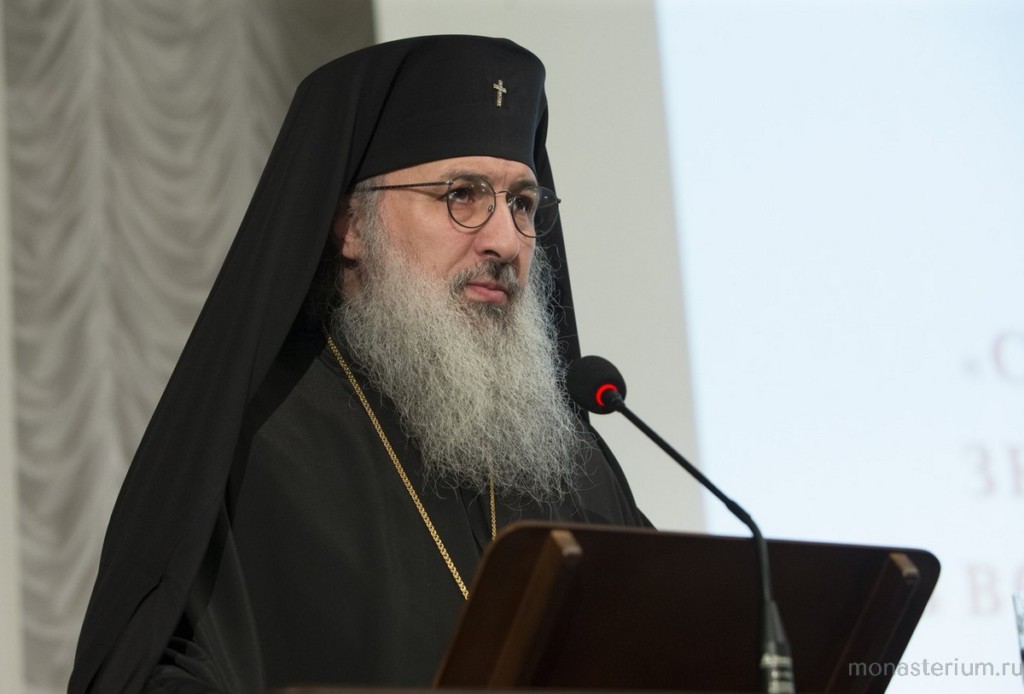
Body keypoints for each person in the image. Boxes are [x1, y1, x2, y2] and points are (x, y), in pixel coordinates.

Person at [69, 35, 648, 693]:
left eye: (522, 203)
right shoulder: (257, 447)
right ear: (349, 224)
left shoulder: (569, 465)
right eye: (461, 194)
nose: (504, 240)